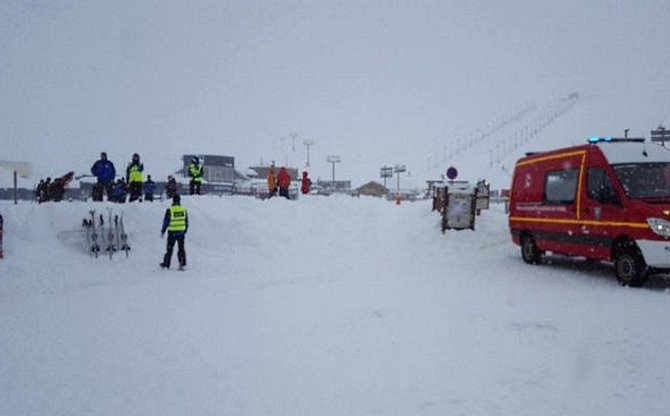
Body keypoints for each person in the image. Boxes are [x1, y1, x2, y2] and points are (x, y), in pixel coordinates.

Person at [160, 194, 188, 270]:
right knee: (181, 248)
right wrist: (184, 230)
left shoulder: (170, 210)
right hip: (181, 233)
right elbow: (186, 222)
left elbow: (166, 222)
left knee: (169, 249)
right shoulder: (183, 210)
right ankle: (182, 263)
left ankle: (166, 264)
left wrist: (163, 231)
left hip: (172, 233)